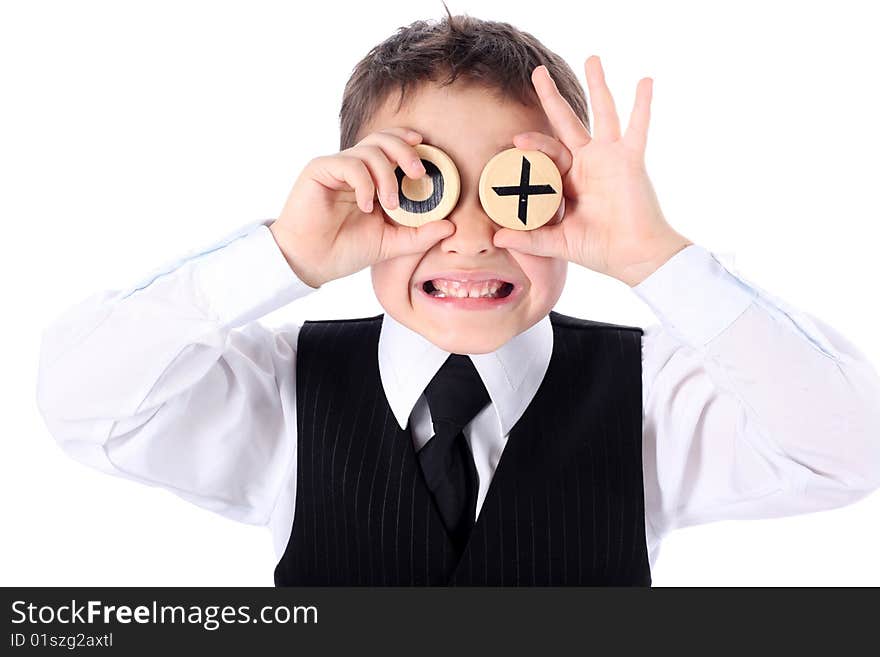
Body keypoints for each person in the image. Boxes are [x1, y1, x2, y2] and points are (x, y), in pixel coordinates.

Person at [36, 11, 880, 586]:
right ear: (362, 191)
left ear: (569, 198)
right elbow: (80, 400)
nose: (472, 234)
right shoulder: (281, 390)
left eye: (519, 189)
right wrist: (283, 255)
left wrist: (655, 257)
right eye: (422, 185)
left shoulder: (655, 392)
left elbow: (851, 446)